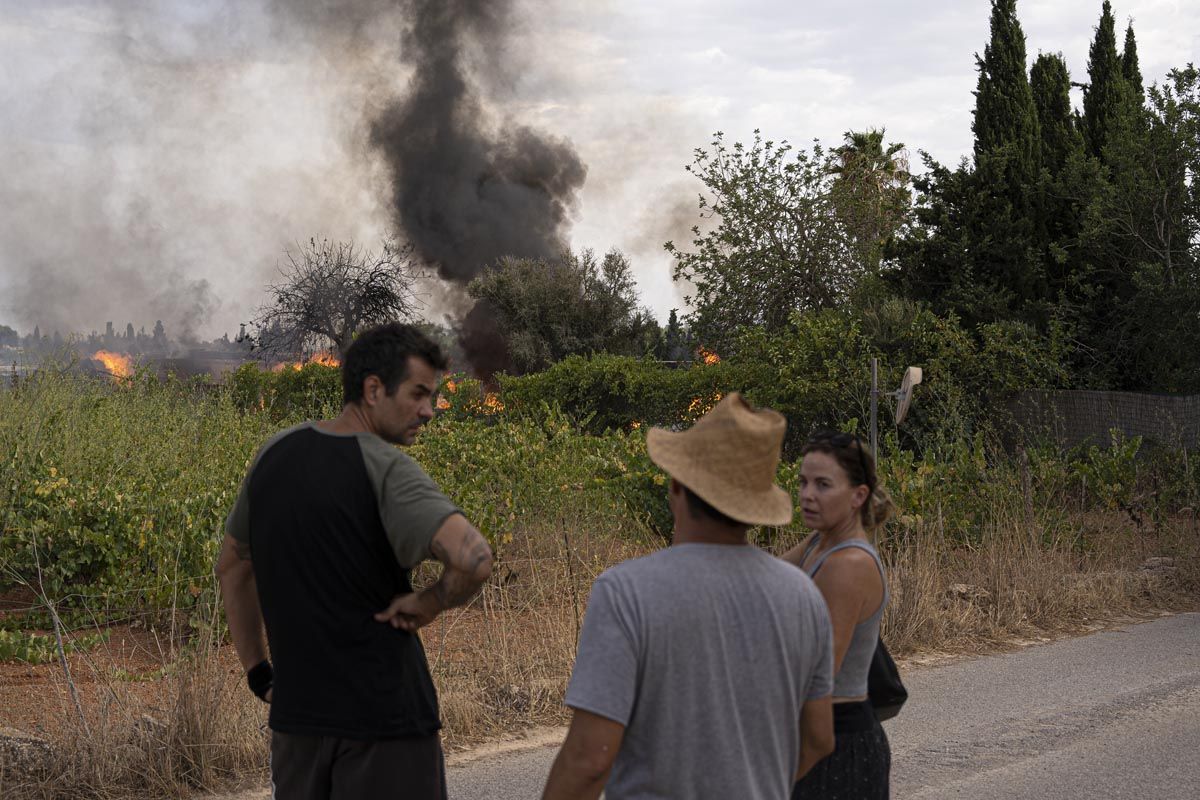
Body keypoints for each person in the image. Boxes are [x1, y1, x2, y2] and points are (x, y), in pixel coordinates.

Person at [215, 322, 493, 800]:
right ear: (373, 389)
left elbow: (233, 566)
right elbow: (475, 559)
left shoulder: (273, 456)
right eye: (419, 394)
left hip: (297, 729)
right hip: (385, 728)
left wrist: (260, 672)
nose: (429, 411)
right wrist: (429, 603)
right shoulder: (386, 469)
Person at [542, 393, 836, 800]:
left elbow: (590, 760)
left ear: (676, 485)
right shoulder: (803, 595)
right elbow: (819, 737)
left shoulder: (626, 592)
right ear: (755, 507)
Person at [780, 431, 896, 800]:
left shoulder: (848, 564)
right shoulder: (820, 541)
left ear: (857, 495)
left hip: (835, 745)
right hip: (818, 735)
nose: (807, 494)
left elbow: (817, 675)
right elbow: (764, 581)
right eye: (802, 482)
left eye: (823, 484)